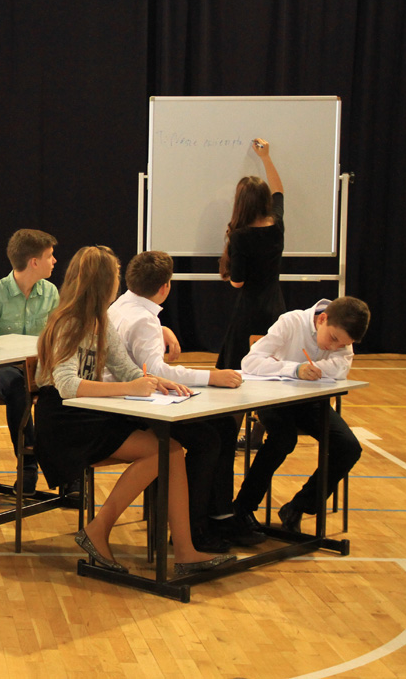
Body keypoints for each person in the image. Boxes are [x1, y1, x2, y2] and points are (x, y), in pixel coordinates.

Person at [34, 245, 233, 575]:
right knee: (162, 452)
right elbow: (66, 385)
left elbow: (126, 369)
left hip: (88, 413)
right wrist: (130, 388)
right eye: (114, 275)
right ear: (103, 282)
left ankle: (185, 551)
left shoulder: (101, 320)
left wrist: (154, 381)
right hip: (65, 421)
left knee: (171, 450)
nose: (118, 281)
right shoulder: (69, 321)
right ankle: (98, 530)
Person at [107, 251, 262, 549]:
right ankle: (192, 528)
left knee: (223, 427)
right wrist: (211, 377)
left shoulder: (121, 306)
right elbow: (156, 371)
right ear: (165, 286)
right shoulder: (143, 319)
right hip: (133, 408)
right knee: (208, 439)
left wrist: (161, 328)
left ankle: (219, 515)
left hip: (128, 400)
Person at [233, 297, 370, 533]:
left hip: (311, 403)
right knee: (283, 440)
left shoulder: (341, 333)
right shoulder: (291, 321)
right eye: (333, 339)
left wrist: (311, 369)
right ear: (322, 319)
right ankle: (242, 507)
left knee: (348, 447)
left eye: (342, 345)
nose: (334, 347)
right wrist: (294, 369)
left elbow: (341, 370)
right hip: (274, 397)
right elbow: (250, 362)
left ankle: (298, 506)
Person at [0, 229, 60, 495]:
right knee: (18, 387)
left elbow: (55, 338)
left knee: (62, 390)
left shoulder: (51, 293)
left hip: (37, 369)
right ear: (34, 262)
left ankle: (67, 474)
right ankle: (28, 467)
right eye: (50, 256)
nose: (54, 261)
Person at [216, 138, 286, 371]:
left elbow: (237, 282)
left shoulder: (240, 236)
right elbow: (279, 191)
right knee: (272, 363)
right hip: (275, 305)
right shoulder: (277, 225)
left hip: (249, 311)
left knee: (239, 365)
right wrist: (266, 158)